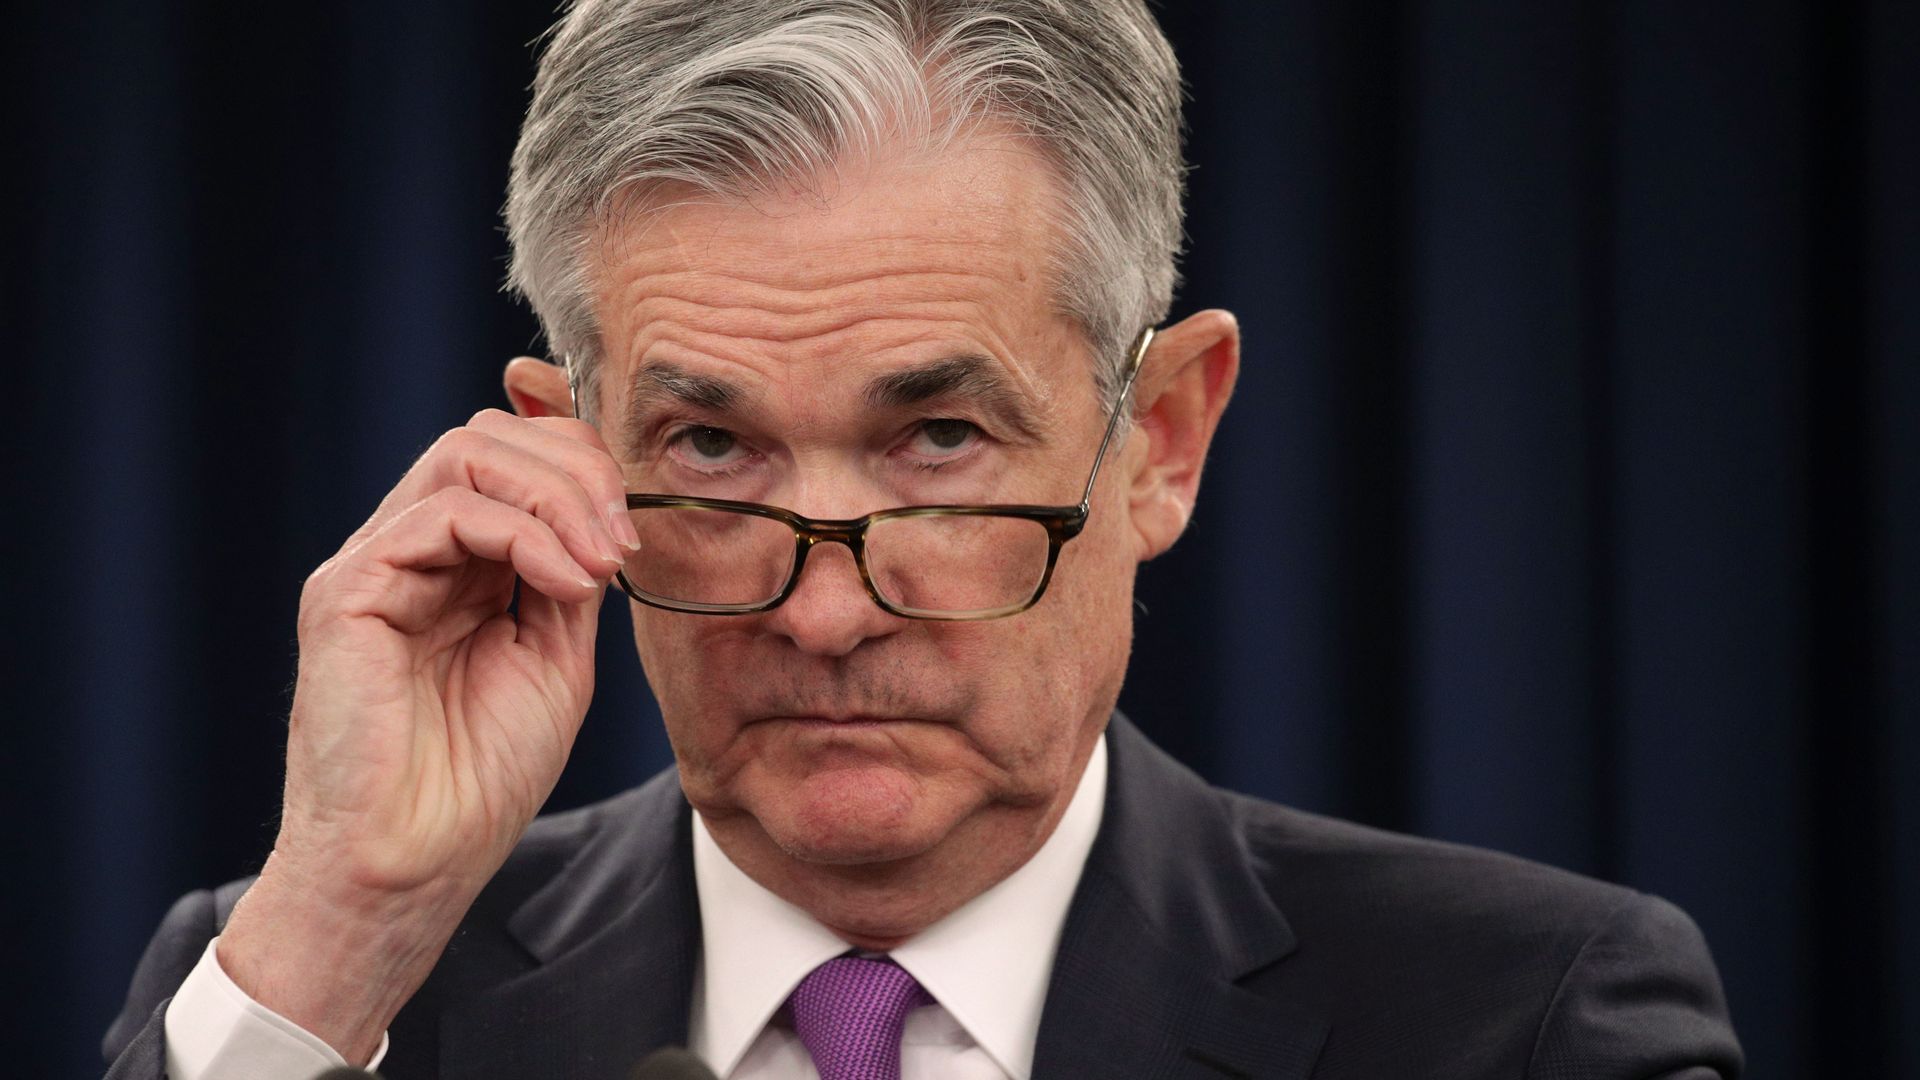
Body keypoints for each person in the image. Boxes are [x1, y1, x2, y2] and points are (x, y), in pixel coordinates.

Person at [103, 1, 1743, 1077]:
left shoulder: (1526, 1021)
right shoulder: (312, 990)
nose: (823, 615)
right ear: (560, 460)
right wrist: (347, 930)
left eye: (939, 443)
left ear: (1159, 439)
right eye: (713, 447)